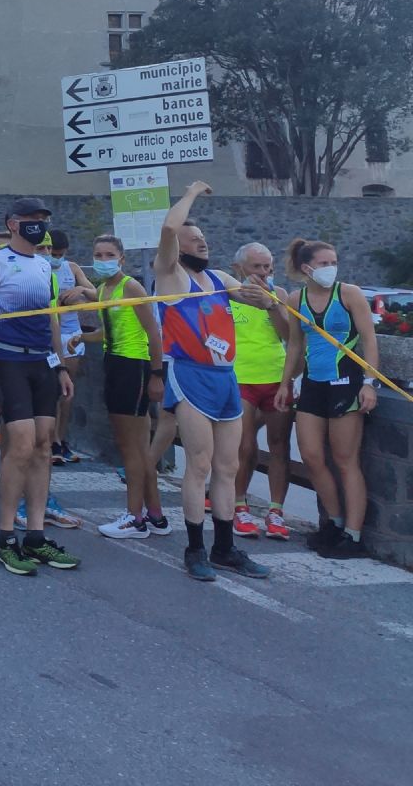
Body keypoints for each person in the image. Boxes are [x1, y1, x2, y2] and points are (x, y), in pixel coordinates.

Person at [152, 181, 269, 582]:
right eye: (194, 238)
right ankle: (194, 549)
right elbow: (169, 229)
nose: (202, 242)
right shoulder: (170, 276)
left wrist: (267, 298)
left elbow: (255, 297)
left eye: (203, 237)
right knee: (198, 465)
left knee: (227, 466)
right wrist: (191, 193)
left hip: (225, 377)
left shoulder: (218, 278)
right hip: (191, 376)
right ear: (179, 246)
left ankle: (224, 548)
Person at [0, 198, 80, 575]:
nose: (39, 224)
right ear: (13, 224)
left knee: (44, 445)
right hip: (9, 359)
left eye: (43, 219)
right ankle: (5, 537)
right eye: (31, 218)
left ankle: (35, 535)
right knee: (20, 444)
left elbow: (50, 317)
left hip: (42, 361)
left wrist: (60, 365)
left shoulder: (46, 264)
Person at [280, 238, 379, 558]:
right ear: (306, 268)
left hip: (345, 383)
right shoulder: (296, 299)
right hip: (313, 384)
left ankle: (353, 534)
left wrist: (369, 383)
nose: (331, 268)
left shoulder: (349, 294)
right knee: (311, 455)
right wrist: (285, 383)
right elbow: (295, 345)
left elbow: (369, 339)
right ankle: (333, 523)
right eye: (324, 263)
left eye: (333, 262)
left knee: (345, 460)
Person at [86, 234, 169, 539]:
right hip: (115, 362)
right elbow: (107, 331)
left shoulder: (131, 287)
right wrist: (80, 337)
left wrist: (157, 375)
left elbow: (153, 332)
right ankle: (156, 515)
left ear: (121, 258)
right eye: (98, 254)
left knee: (130, 446)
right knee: (139, 448)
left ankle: (135, 518)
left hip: (133, 366)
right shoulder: (102, 290)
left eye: (109, 254)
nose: (103, 260)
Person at [227, 242, 294, 540]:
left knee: (279, 444)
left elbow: (289, 336)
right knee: (244, 445)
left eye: (268, 267)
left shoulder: (279, 294)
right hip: (240, 378)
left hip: (276, 377)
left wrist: (272, 305)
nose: (264, 272)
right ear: (239, 268)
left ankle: (276, 511)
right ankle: (239, 505)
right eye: (257, 267)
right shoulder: (229, 294)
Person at [42, 230, 94, 466]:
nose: (56, 258)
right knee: (51, 390)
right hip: (48, 336)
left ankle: (62, 440)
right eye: (53, 253)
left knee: (67, 392)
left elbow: (95, 294)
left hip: (71, 334)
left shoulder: (72, 268)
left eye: (60, 254)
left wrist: (80, 291)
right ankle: (50, 440)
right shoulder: (39, 268)